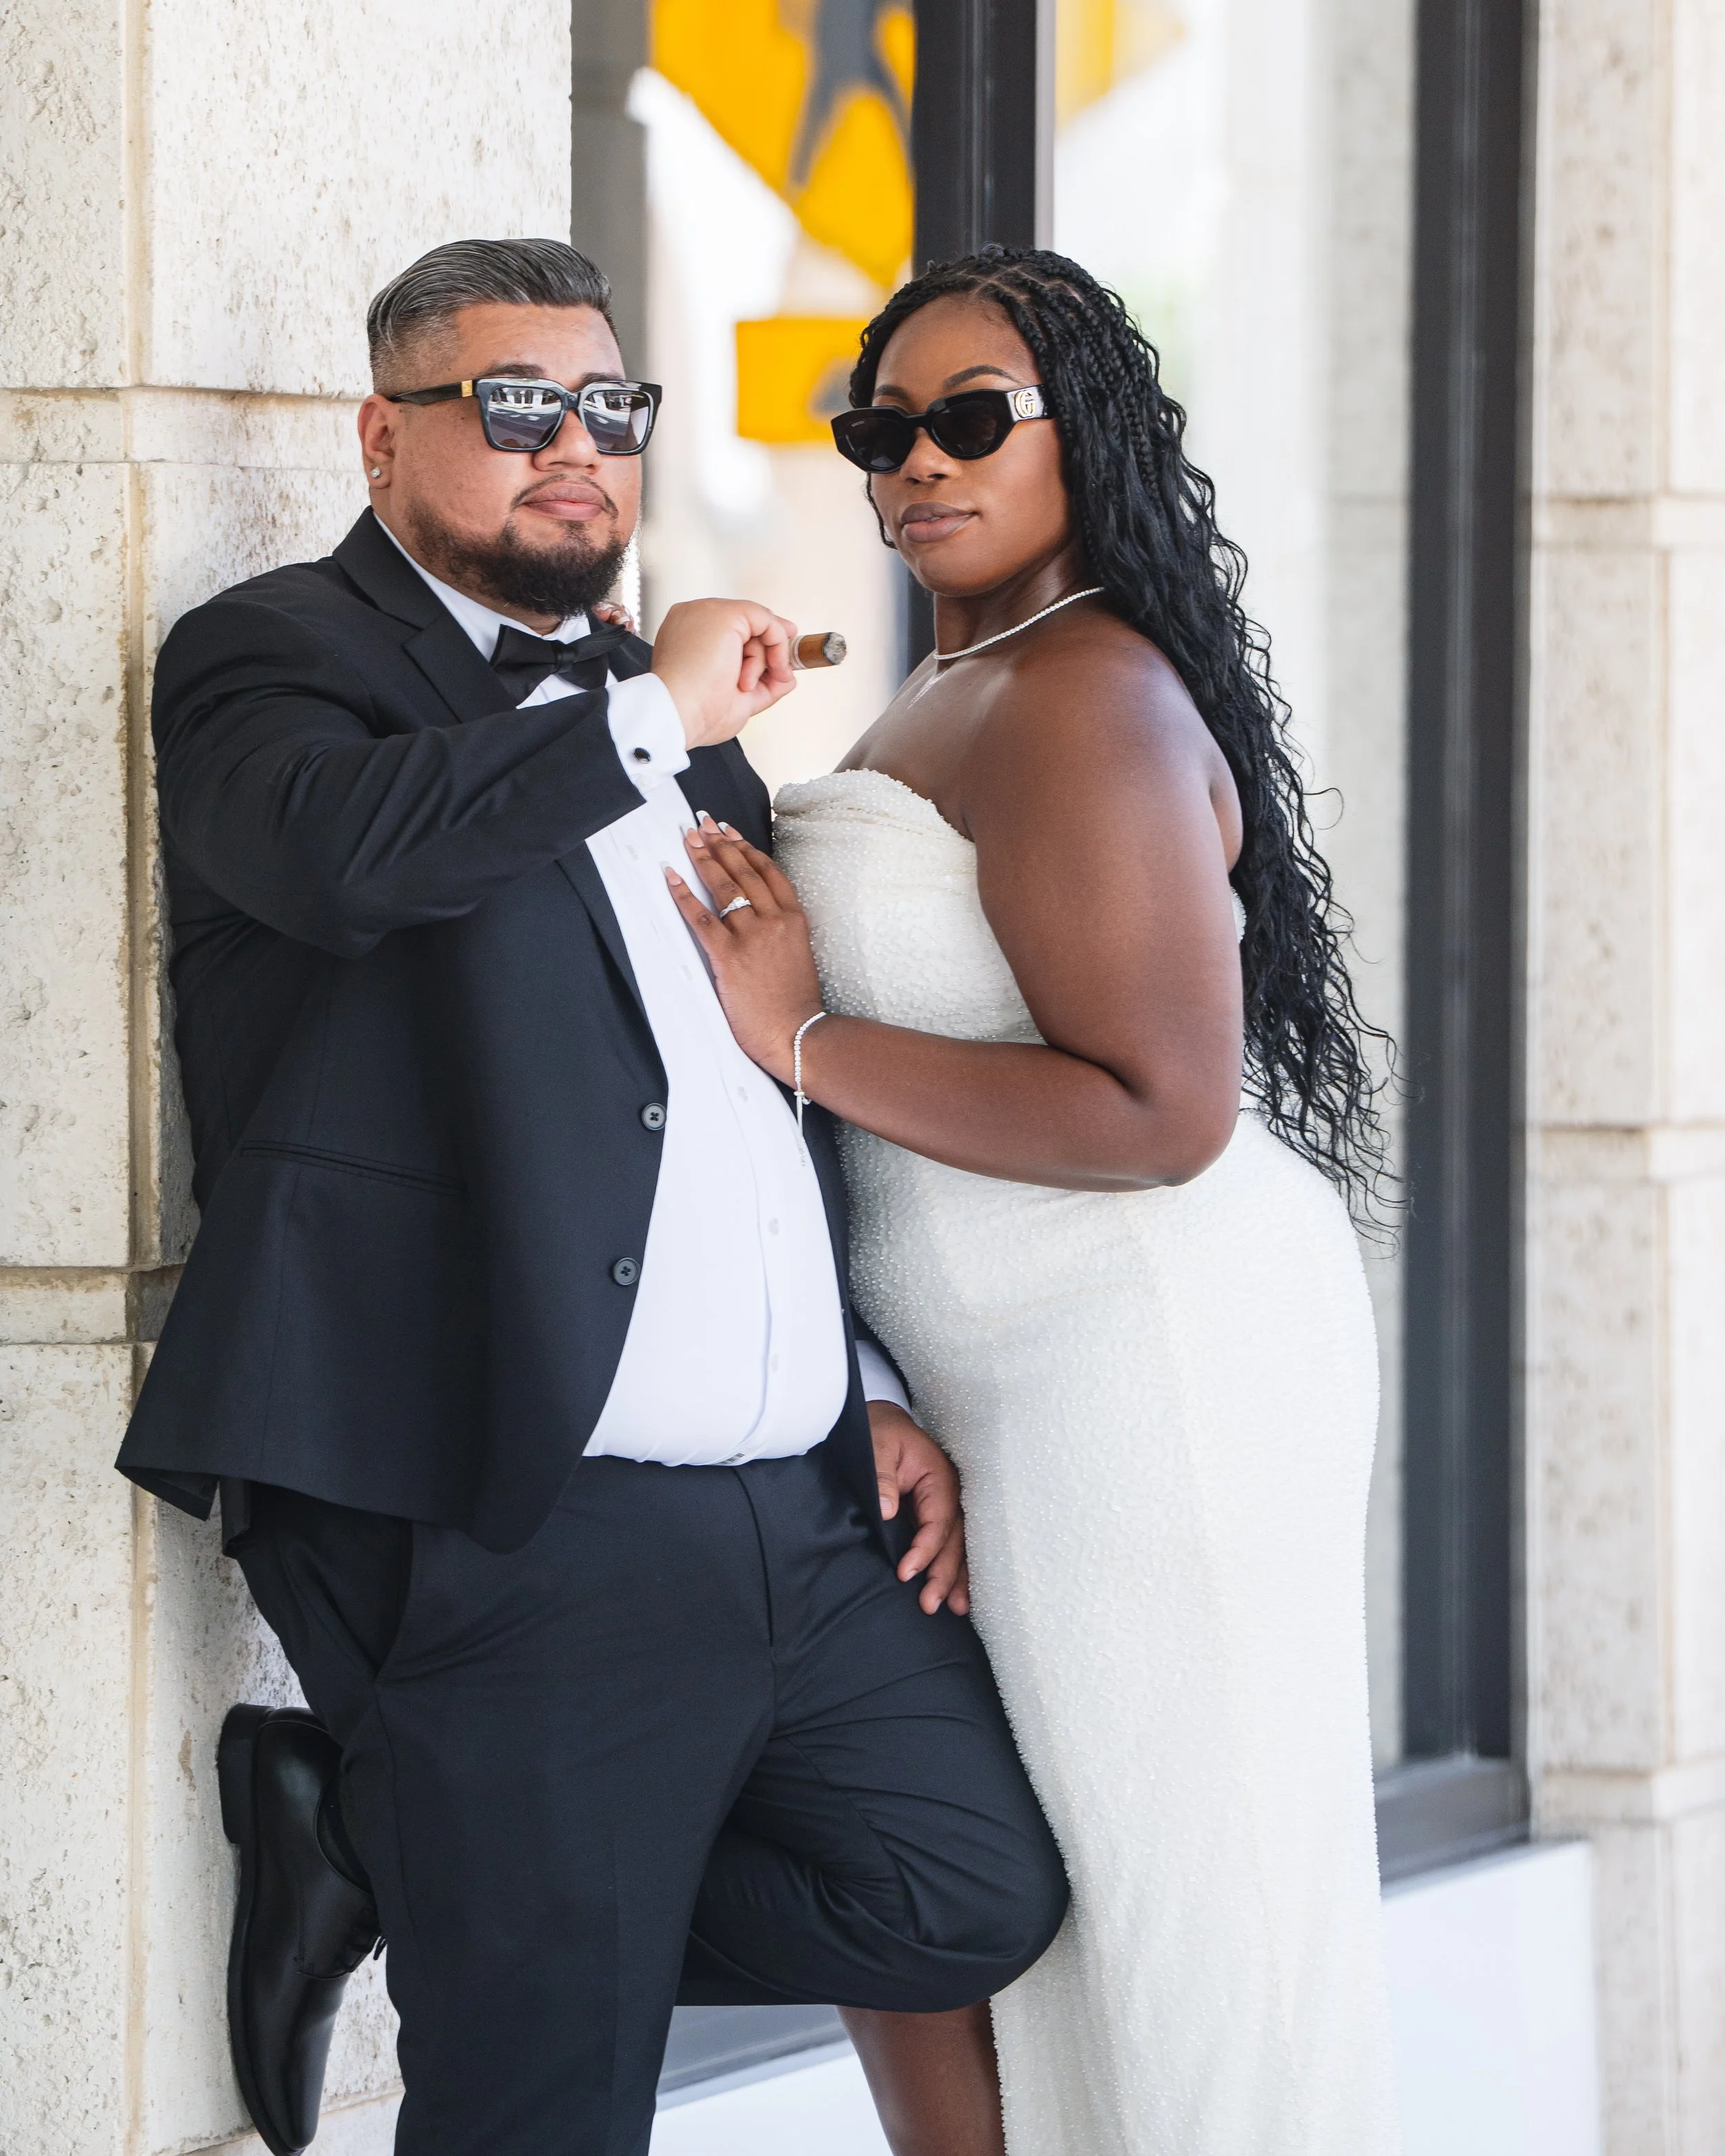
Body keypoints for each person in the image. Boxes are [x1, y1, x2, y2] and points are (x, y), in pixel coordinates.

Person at [115, 236, 1066, 2156]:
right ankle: (469, 1865)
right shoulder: (276, 657)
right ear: (382, 436)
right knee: (545, 2103)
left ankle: (375, 1835)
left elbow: (742, 1085)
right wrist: (645, 718)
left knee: (963, 1891)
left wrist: (867, 1377)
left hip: (797, 1508)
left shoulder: (666, 718)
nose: (577, 447)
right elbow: (342, 859)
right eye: (517, 405)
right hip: (510, 1503)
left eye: (609, 407)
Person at [664, 245, 1401, 2156]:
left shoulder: (1084, 698)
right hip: (1011, 1381)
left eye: (973, 418)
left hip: (1153, 1367)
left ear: (1090, 437)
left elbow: (1162, 1112)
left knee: (1192, 1901)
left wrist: (802, 1034)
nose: (919, 459)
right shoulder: (957, 681)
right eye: (880, 429)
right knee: (1016, 1884)